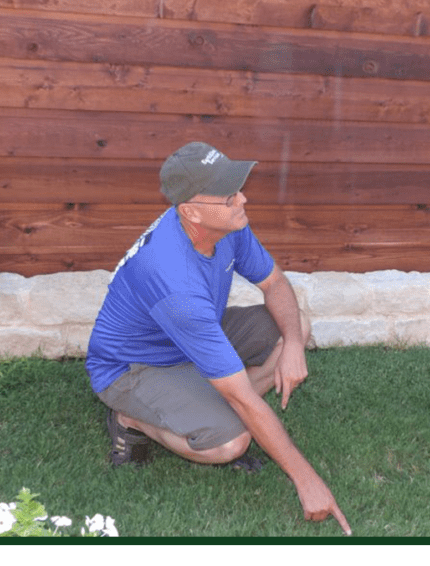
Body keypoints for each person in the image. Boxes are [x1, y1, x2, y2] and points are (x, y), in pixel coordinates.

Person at [86, 141, 351, 535]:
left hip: (190, 333)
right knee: (229, 445)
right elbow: (241, 396)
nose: (242, 199)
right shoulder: (173, 280)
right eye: (229, 195)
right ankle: (131, 419)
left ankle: (209, 400)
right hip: (133, 366)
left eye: (238, 189)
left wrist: (294, 345)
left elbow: (275, 283)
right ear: (191, 211)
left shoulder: (225, 224)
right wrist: (307, 480)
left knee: (294, 326)